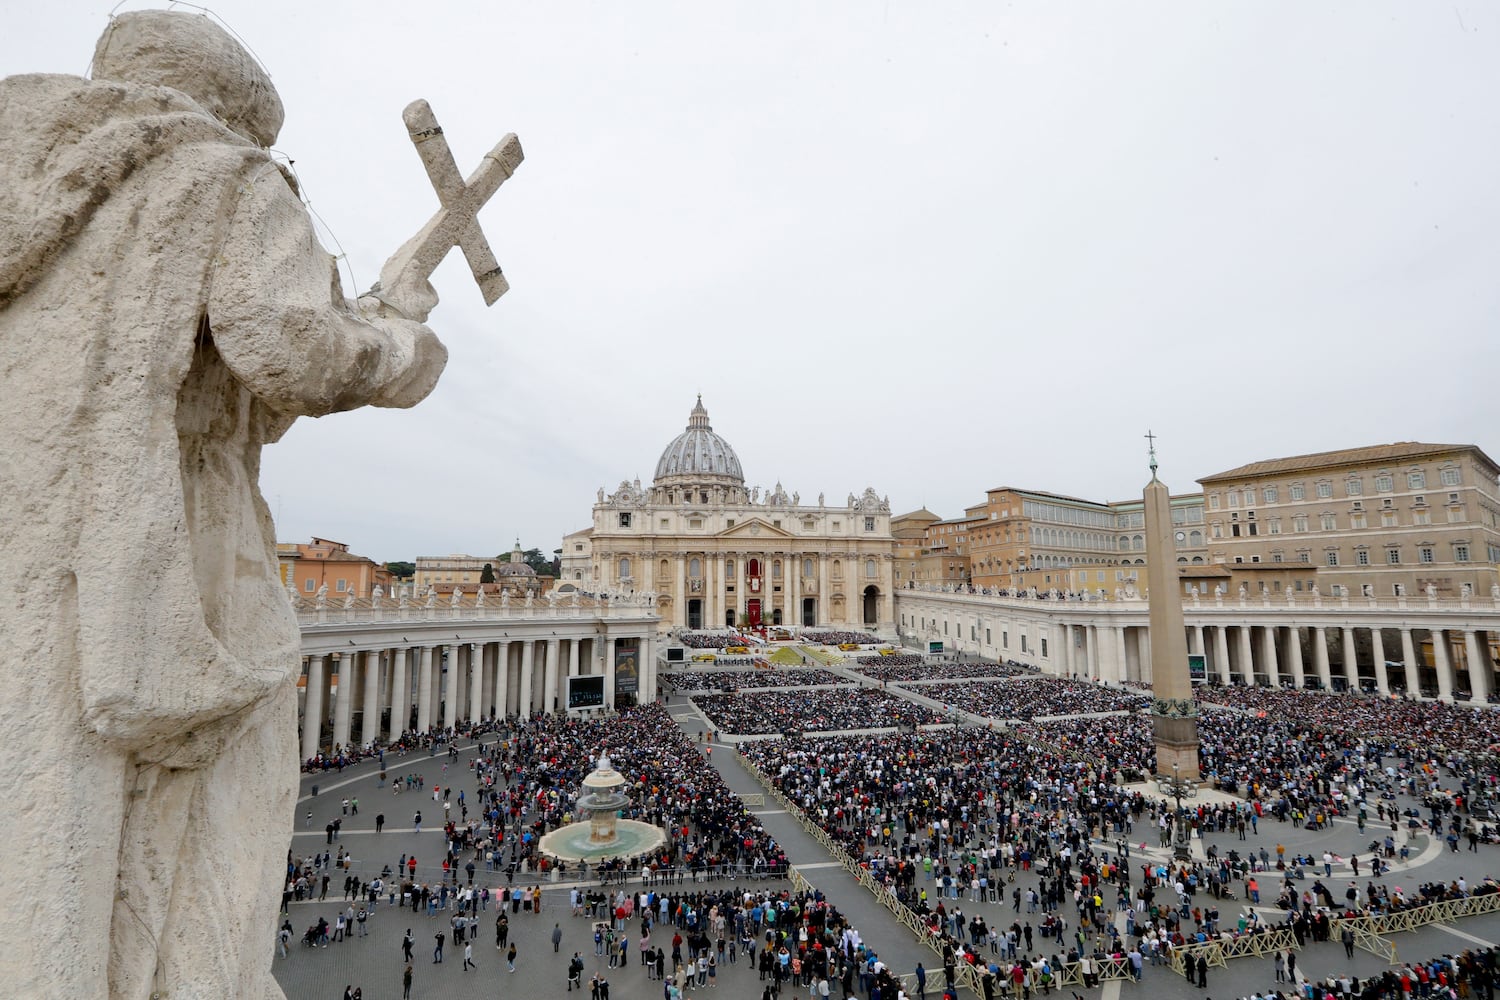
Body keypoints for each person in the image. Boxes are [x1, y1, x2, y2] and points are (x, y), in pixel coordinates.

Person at [0, 11, 448, 999]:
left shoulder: (30, 187)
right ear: (244, 116)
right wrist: (398, 328)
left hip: (26, 529)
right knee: (216, 826)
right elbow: (293, 355)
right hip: (170, 536)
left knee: (41, 827)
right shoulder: (221, 174)